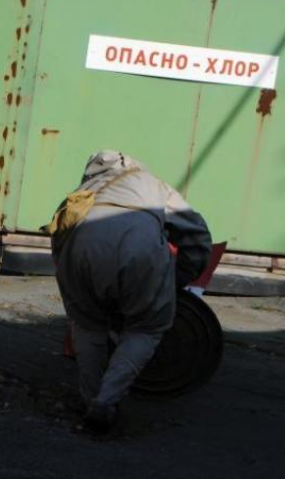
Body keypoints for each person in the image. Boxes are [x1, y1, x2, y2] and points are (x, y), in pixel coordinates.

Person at [47, 150, 211, 432]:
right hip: (138, 248)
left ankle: (89, 400)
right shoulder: (151, 184)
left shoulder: (83, 191)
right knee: (146, 328)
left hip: (76, 251)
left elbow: (58, 238)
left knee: (88, 326)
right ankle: (105, 402)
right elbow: (196, 234)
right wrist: (178, 278)